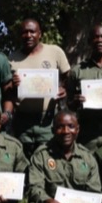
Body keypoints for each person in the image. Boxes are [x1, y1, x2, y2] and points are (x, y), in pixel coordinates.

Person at [6, 18, 70, 154]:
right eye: (24, 32)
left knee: (49, 156)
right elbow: (7, 89)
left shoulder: (55, 52)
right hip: (22, 119)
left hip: (48, 119)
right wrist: (13, 85)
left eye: (32, 32)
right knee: (24, 157)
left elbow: (67, 77)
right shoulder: (12, 58)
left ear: (39, 34)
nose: (28, 35)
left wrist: (63, 88)